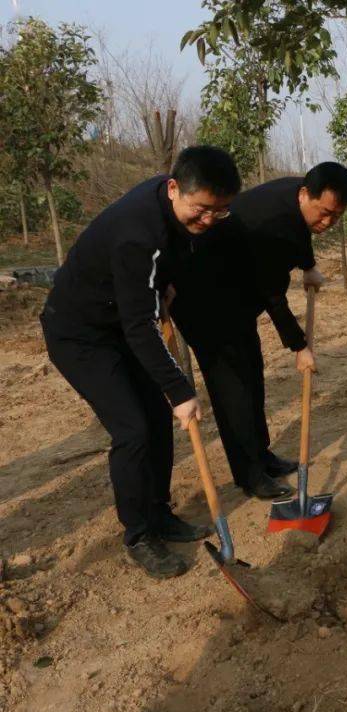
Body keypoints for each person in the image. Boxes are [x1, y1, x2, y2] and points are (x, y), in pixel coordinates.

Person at [40, 146, 241, 579]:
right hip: (79, 334)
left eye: (219, 212)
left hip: (119, 320)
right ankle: (138, 534)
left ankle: (159, 512)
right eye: (202, 210)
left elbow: (168, 267)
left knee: (157, 416)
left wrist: (163, 287)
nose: (208, 221)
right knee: (132, 428)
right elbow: (138, 327)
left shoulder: (173, 208)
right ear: (173, 189)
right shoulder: (138, 232)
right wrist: (181, 390)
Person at [169, 162, 347, 500]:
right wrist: (299, 346)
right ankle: (250, 475)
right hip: (205, 303)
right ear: (305, 194)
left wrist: (308, 265)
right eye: (325, 213)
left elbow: (302, 233)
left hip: (235, 296)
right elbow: (272, 294)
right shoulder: (271, 223)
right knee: (234, 390)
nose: (328, 222)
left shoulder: (297, 197)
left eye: (337, 216)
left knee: (252, 374)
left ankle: (262, 455)